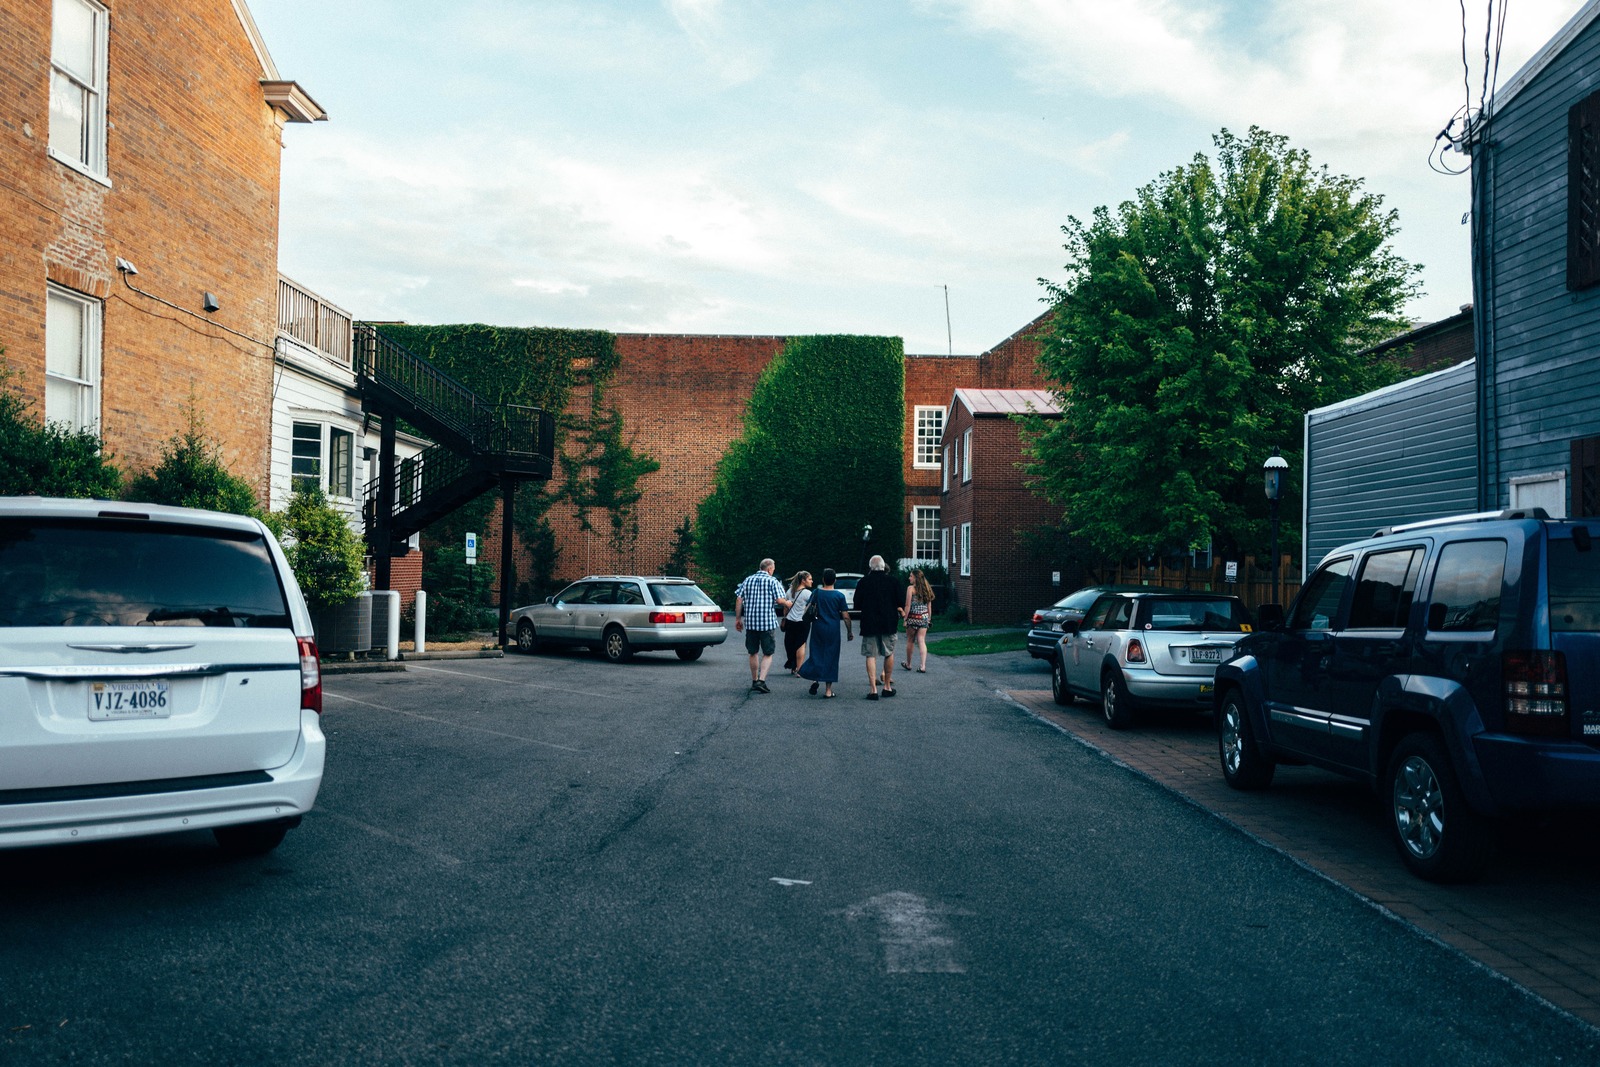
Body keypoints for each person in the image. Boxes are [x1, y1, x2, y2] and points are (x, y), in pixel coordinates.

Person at [733, 558, 789, 693]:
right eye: (773, 568)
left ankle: (754, 680)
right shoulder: (772, 581)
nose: (774, 570)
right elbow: (779, 600)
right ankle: (761, 681)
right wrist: (788, 603)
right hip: (767, 623)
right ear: (769, 569)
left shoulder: (748, 580)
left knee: (753, 652)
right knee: (768, 653)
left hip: (751, 623)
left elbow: (739, 599)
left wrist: (738, 619)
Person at [851, 554, 902, 699]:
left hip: (869, 623)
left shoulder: (863, 582)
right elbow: (900, 601)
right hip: (889, 622)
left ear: (870, 568)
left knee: (870, 655)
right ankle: (887, 687)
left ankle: (873, 690)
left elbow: (857, 603)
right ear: (883, 566)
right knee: (889, 653)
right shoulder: (893, 581)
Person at [798, 568, 852, 697]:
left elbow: (807, 609)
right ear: (835, 580)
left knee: (816, 653)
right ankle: (828, 691)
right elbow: (845, 616)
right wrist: (849, 631)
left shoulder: (816, 592)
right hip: (833, 630)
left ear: (823, 579)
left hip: (818, 628)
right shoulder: (839, 596)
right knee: (831, 657)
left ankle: (815, 678)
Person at [781, 570, 814, 676]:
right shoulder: (808, 593)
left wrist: (785, 617)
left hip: (790, 621)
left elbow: (785, 607)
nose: (812, 581)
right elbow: (812, 607)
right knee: (801, 644)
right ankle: (799, 669)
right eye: (809, 579)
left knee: (790, 644)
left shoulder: (790, 591)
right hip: (802, 622)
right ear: (803, 581)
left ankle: (793, 666)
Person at [902, 570, 935, 673]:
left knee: (910, 640)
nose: (909, 578)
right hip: (924, 618)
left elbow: (908, 606)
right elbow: (929, 606)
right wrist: (929, 618)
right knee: (921, 640)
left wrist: (905, 619)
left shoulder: (910, 589)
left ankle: (908, 664)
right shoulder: (927, 588)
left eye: (911, 576)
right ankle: (923, 666)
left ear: (915, 578)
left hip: (912, 617)